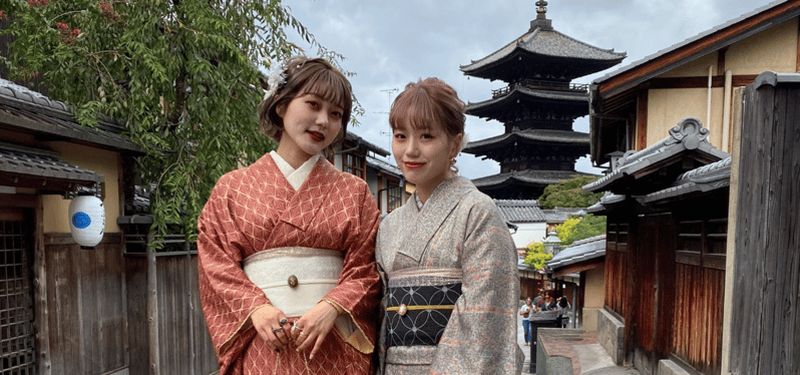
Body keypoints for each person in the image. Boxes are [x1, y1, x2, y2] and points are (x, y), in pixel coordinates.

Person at [197, 56, 381, 375]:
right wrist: (255, 308)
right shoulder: (232, 188)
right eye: (312, 104)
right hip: (264, 341)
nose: (323, 120)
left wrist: (332, 306)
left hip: (333, 343)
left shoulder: (355, 191)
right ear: (281, 105)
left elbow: (365, 269)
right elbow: (216, 266)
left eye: (335, 114)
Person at [375, 78, 524, 374]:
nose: (410, 151)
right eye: (401, 136)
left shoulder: (478, 212)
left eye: (427, 136)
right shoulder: (389, 225)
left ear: (455, 143)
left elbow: (484, 319)